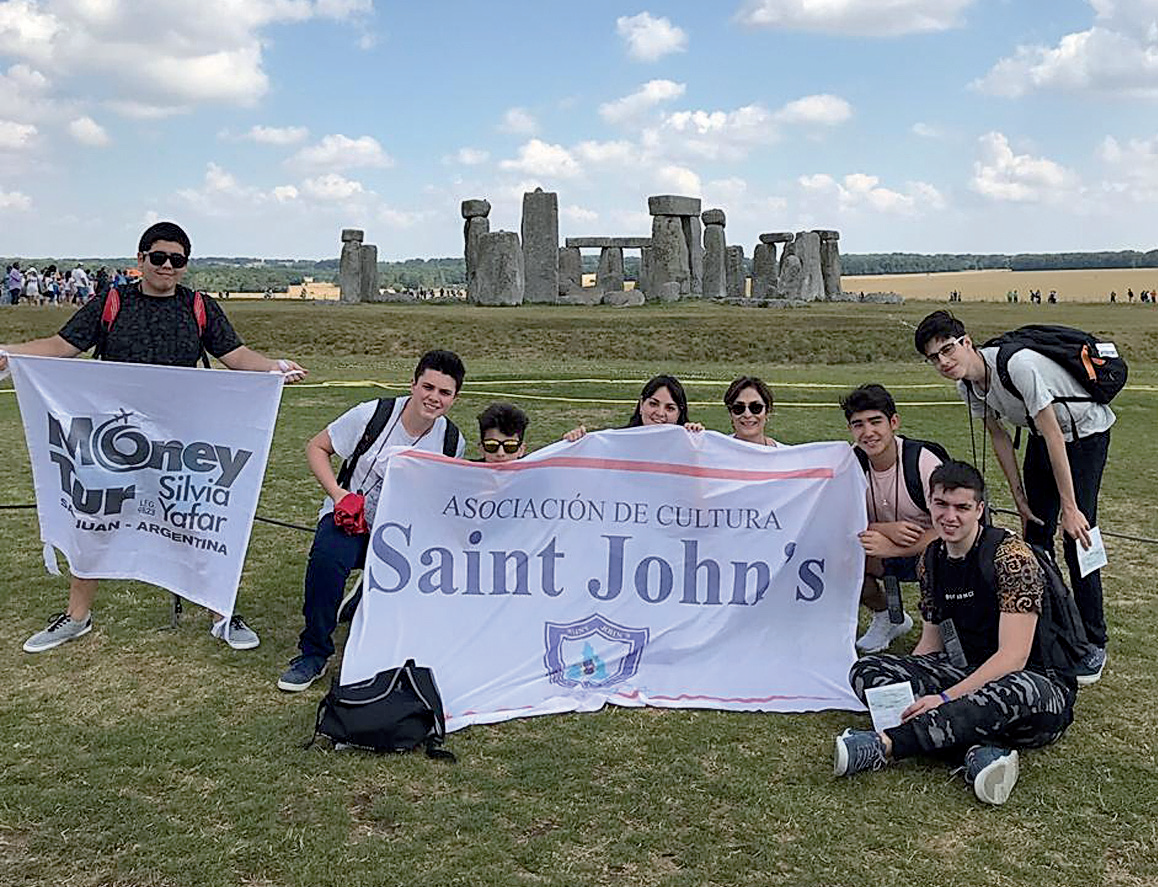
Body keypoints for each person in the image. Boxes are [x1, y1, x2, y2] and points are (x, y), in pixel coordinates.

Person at [0, 221, 307, 654]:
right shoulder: (111, 302)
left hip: (179, 442)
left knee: (197, 522)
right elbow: (61, 346)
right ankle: (77, 616)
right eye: (159, 257)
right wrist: (9, 354)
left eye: (177, 260)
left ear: (185, 265)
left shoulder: (199, 306)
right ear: (141, 259)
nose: (167, 266)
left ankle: (221, 612)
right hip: (116, 437)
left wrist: (274, 368)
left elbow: (236, 356)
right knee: (95, 520)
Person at [833, 461, 1077, 806]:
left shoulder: (1011, 558)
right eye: (941, 505)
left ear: (980, 509)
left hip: (1033, 687)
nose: (950, 517)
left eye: (962, 507)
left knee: (1013, 690)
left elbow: (1013, 657)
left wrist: (945, 699)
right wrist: (912, 686)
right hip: (964, 672)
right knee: (867, 670)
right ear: (929, 504)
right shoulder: (931, 558)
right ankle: (976, 751)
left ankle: (886, 745)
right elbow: (930, 643)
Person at [914, 310, 1112, 684]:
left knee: (1079, 537)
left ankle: (1093, 640)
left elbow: (1055, 434)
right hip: (1042, 437)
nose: (943, 362)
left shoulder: (1018, 365)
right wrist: (1021, 501)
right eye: (934, 358)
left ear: (966, 342)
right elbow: (999, 437)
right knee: (1035, 535)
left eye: (947, 350)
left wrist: (1070, 508)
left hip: (1084, 434)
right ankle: (1047, 628)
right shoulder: (967, 386)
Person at [277, 350, 467, 692]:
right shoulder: (373, 414)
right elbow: (316, 447)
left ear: (455, 398)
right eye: (428, 387)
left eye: (444, 392)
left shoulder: (452, 442)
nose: (433, 398)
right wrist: (338, 494)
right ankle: (314, 653)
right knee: (327, 561)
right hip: (351, 519)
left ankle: (384, 623)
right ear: (413, 384)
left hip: (403, 533)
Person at [841, 384, 947, 652]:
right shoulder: (851, 464)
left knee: (949, 557)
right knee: (841, 557)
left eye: (875, 421)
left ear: (894, 422)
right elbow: (839, 521)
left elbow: (954, 528)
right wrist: (883, 529)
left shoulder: (923, 461)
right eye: (858, 424)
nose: (868, 432)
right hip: (883, 549)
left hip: (933, 548)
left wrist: (896, 548)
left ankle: (948, 626)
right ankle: (887, 616)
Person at [564, 374, 704, 441]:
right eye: (653, 404)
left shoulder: (690, 445)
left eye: (670, 408)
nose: (660, 413)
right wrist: (575, 444)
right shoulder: (615, 441)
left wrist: (699, 439)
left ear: (680, 413)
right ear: (641, 405)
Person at [724, 376, 778, 446]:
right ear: (731, 413)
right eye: (738, 408)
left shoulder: (783, 452)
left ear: (767, 411)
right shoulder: (715, 449)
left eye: (756, 408)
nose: (747, 415)